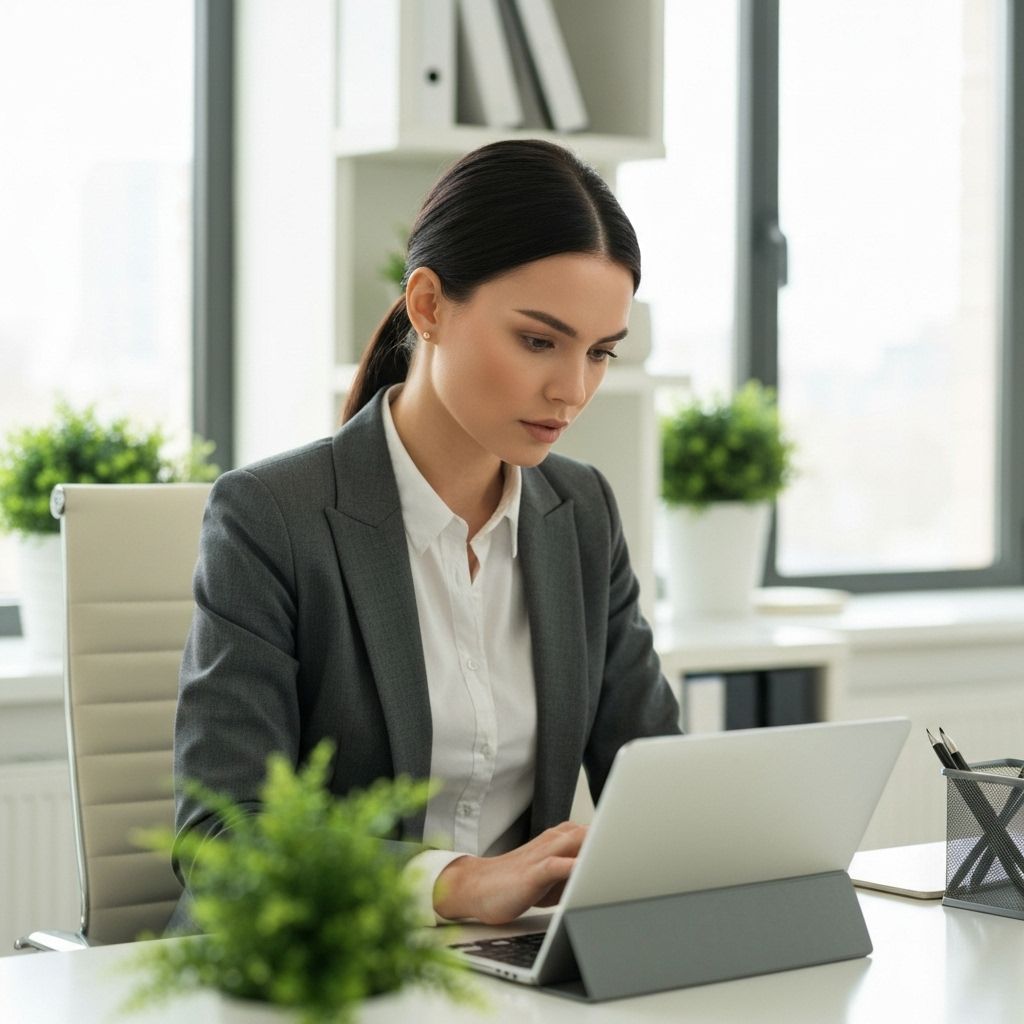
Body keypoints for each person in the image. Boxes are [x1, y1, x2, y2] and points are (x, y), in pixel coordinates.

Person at [170, 139, 680, 932]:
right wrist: (451, 884)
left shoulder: (579, 512)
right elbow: (221, 842)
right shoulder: (270, 517)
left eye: (600, 353)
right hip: (322, 968)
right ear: (430, 305)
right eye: (539, 341)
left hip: (507, 971)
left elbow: (657, 781)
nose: (573, 390)